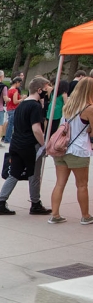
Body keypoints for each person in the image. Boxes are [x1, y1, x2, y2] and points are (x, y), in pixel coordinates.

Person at [0, 76, 53, 216]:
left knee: (14, 173)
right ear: (39, 90)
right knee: (34, 175)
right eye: (46, 89)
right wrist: (44, 144)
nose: (48, 91)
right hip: (29, 146)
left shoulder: (22, 105)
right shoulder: (35, 106)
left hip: (16, 143)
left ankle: (1, 203)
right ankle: (35, 203)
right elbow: (36, 129)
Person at [48, 78, 93, 224]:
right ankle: (85, 216)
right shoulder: (89, 108)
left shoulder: (68, 106)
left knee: (60, 183)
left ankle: (55, 214)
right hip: (78, 150)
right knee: (81, 184)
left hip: (62, 148)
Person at [4, 76, 23, 143]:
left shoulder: (9, 90)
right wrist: (22, 99)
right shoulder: (15, 90)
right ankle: (8, 138)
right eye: (19, 83)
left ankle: (7, 137)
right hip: (14, 108)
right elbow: (15, 101)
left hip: (9, 108)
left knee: (10, 124)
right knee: (11, 125)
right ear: (17, 82)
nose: (19, 85)